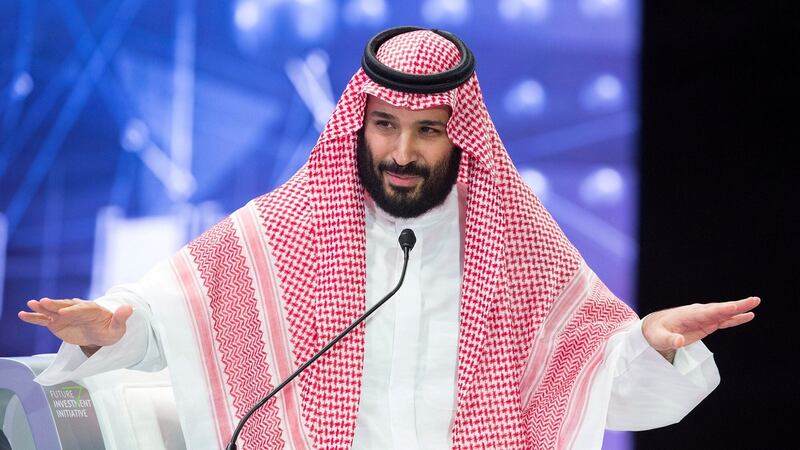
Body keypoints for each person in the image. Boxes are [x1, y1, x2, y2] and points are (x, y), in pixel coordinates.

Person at [18, 27, 759, 449]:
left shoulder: (515, 249)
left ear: (458, 137)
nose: (401, 152)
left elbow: (600, 384)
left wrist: (653, 344)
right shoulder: (286, 229)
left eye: (427, 131)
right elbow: (174, 315)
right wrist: (110, 326)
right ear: (360, 124)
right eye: (385, 125)